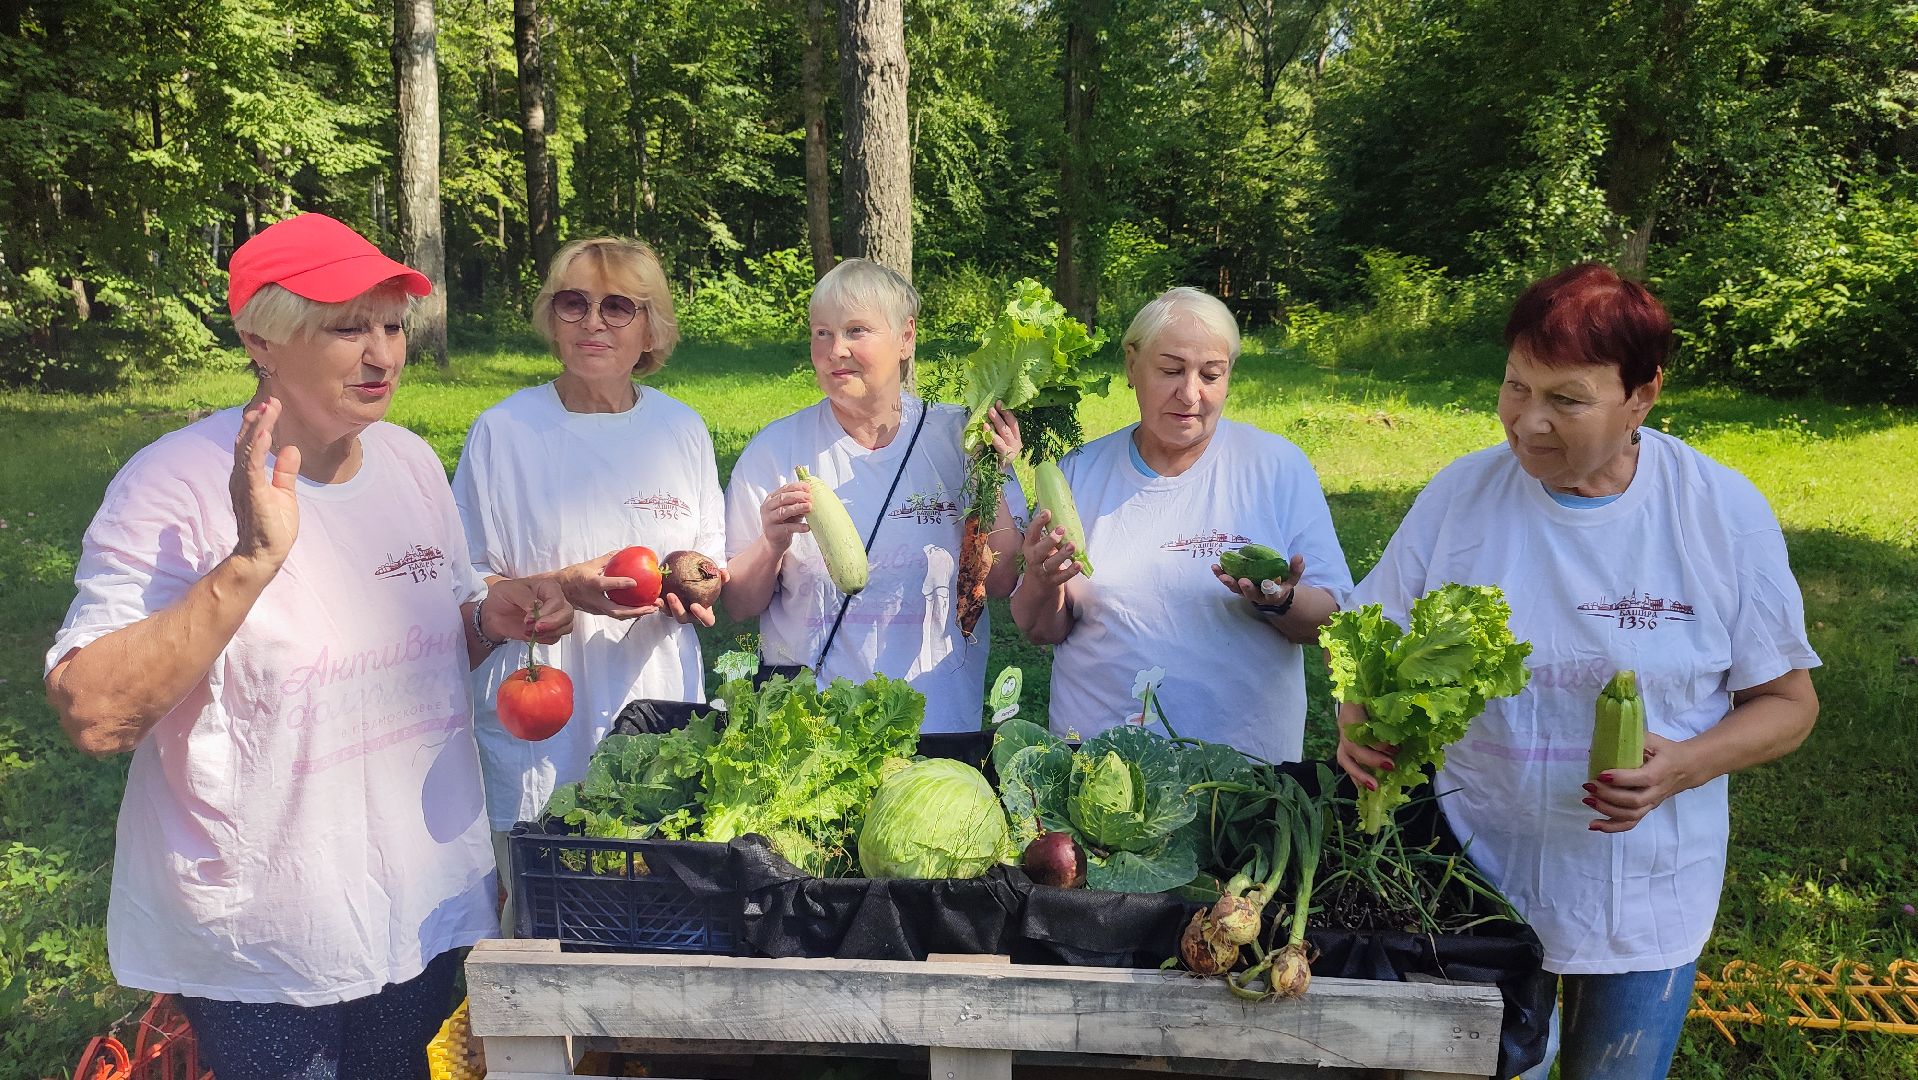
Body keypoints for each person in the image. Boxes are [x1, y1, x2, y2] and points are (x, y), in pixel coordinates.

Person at [42, 213, 574, 1079]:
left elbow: (426, 641)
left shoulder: (406, 463)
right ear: (261, 340)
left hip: (424, 904)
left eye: (393, 326)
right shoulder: (172, 484)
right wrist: (250, 561)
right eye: (347, 327)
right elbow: (94, 714)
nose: (383, 355)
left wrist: (487, 621)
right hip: (269, 940)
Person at [1334, 263, 1820, 1080]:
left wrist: (1687, 764)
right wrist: (1358, 718)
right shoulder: (1463, 496)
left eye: (1566, 399)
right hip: (1473, 882)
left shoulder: (1717, 511)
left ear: (1643, 395)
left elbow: (1789, 703)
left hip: (1641, 897)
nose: (1527, 423)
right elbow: (1366, 638)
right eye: (1516, 386)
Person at [452, 236, 725, 876]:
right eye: (574, 303)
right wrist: (560, 587)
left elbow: (709, 560)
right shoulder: (506, 432)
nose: (593, 322)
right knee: (542, 915)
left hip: (651, 701)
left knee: (658, 900)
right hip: (543, 716)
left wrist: (694, 590)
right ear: (552, 317)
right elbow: (463, 582)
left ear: (651, 327)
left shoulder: (680, 430)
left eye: (618, 307)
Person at [1012, 287, 1352, 763]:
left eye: (1211, 374)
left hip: (1240, 774)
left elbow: (1333, 618)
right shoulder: (1078, 474)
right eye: (1170, 370)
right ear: (1132, 365)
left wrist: (1280, 601)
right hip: (1100, 772)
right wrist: (1042, 582)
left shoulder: (1275, 467)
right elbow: (1041, 629)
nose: (1190, 393)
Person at [722, 258, 1021, 732]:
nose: (835, 349)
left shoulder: (960, 439)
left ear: (906, 337)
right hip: (811, 731)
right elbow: (738, 605)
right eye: (821, 333)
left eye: (856, 330)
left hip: (936, 719)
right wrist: (771, 545)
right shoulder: (776, 451)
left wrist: (993, 477)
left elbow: (1002, 582)